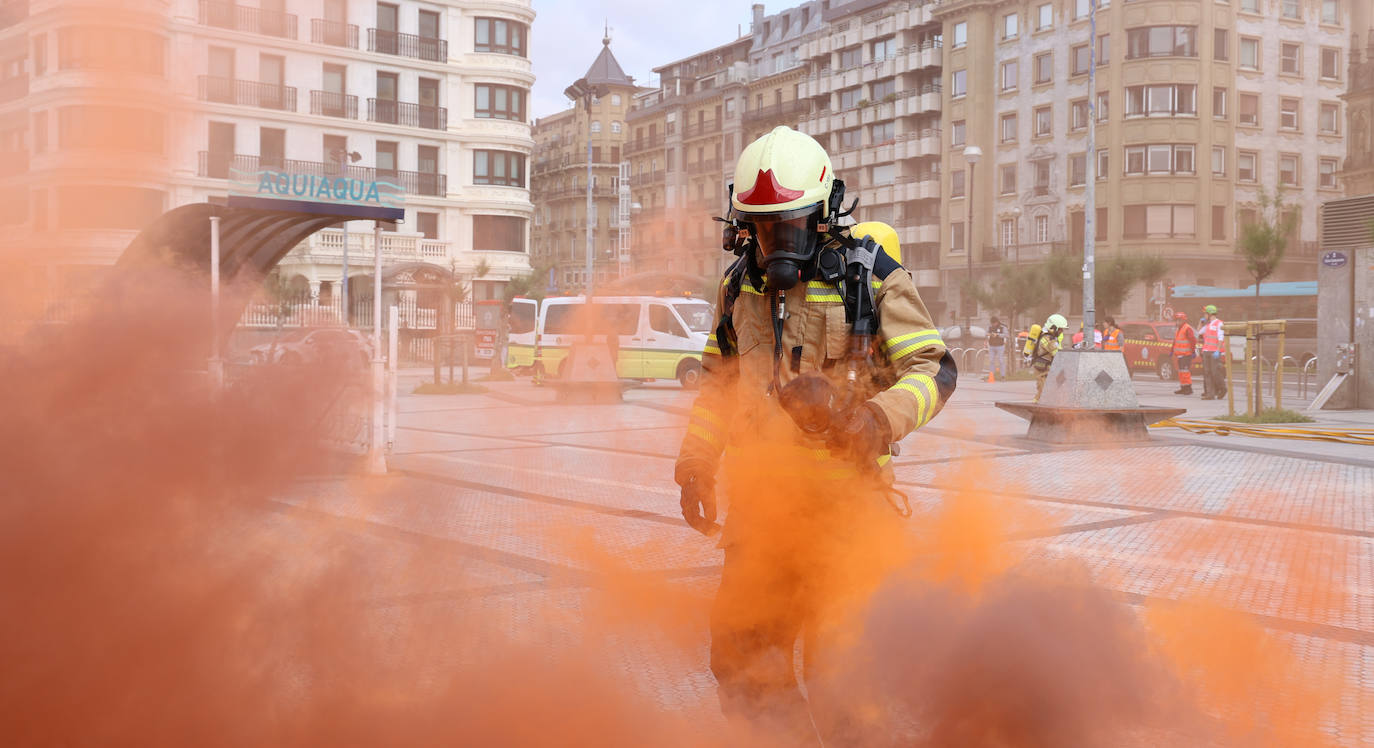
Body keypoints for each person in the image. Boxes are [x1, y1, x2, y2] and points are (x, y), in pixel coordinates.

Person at [674, 125, 956, 743]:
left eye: (791, 225)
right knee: (742, 663)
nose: (776, 243)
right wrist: (697, 456)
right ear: (742, 223)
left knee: (845, 684)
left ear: (824, 213)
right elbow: (719, 380)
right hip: (765, 517)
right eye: (763, 227)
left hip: (848, 516)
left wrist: (875, 419)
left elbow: (935, 368)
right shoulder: (736, 286)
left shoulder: (869, 275)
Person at [1031, 314, 1067, 402]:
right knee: (1043, 392)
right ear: (1053, 328)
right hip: (1042, 370)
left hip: (1048, 368)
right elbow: (1057, 353)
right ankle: (1036, 410)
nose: (1061, 332)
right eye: (1060, 329)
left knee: (1053, 390)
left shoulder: (1050, 338)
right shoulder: (1047, 339)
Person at [1200, 304, 1227, 400]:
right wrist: (1201, 323)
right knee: (1207, 373)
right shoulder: (1207, 325)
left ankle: (1223, 388)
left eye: (1205, 314)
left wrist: (1218, 350)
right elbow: (1199, 332)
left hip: (1214, 352)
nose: (1204, 316)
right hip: (1206, 351)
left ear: (1210, 314)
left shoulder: (1219, 323)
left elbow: (1220, 338)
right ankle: (1210, 394)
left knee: (1215, 372)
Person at [1171, 311, 1197, 395]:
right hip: (1180, 355)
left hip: (1186, 354)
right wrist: (1172, 350)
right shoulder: (1178, 329)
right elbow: (1175, 341)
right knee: (1181, 372)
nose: (1177, 322)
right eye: (1176, 320)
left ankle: (1188, 388)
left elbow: (1193, 340)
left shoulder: (1187, 328)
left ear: (1183, 320)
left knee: (1185, 372)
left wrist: (1193, 351)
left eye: (1179, 320)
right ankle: (1183, 387)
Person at [986, 316, 1007, 381]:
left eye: (994, 323)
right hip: (992, 345)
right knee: (991, 361)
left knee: (1001, 360)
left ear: (997, 322)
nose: (993, 324)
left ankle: (1003, 376)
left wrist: (997, 335)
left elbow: (1006, 334)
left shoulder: (1002, 327)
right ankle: (992, 375)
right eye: (992, 323)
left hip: (1000, 346)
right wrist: (989, 334)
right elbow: (986, 333)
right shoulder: (990, 327)